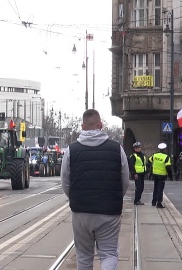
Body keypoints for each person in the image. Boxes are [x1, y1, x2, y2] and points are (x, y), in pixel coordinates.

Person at [61, 109, 129, 270]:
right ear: (101, 125)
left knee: (84, 257)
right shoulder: (117, 149)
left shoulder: (71, 150)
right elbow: (125, 181)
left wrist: (76, 198)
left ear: (82, 127)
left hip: (81, 211)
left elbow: (65, 181)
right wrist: (115, 198)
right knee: (109, 254)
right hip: (109, 212)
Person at [149, 142, 173, 208]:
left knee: (155, 188)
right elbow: (168, 167)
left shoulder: (155, 155)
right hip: (162, 175)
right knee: (160, 189)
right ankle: (159, 202)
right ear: (165, 149)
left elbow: (149, 160)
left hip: (155, 174)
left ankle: (153, 201)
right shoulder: (166, 157)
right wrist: (170, 176)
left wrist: (151, 170)